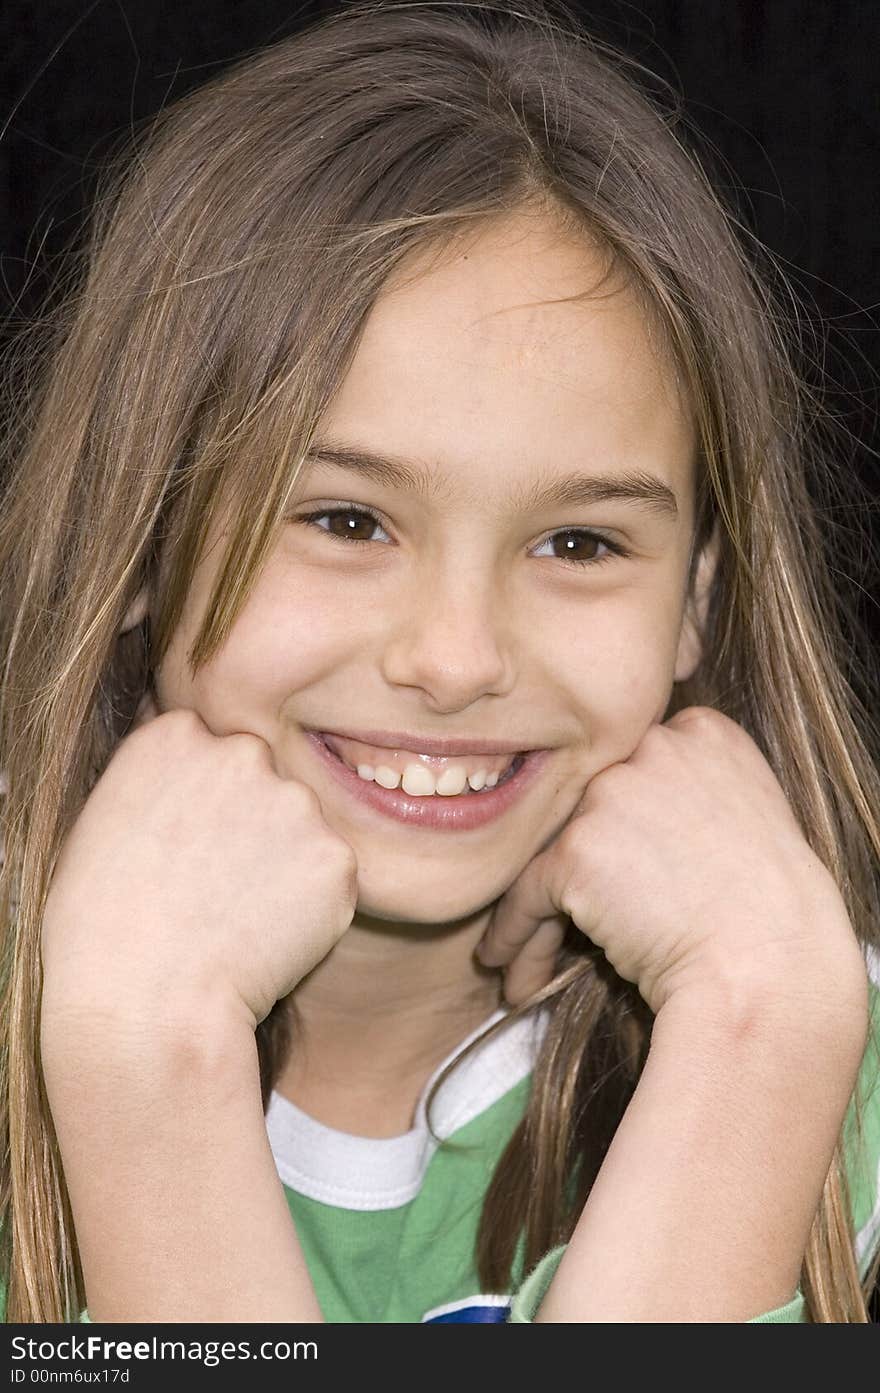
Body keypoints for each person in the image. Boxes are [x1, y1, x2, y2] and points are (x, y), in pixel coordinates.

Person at [1, 0, 878, 1324]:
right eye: (346, 519)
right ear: (137, 537)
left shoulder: (811, 1043)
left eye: (580, 541)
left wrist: (758, 1033)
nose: (456, 658)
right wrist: (146, 1055)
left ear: (700, 595)